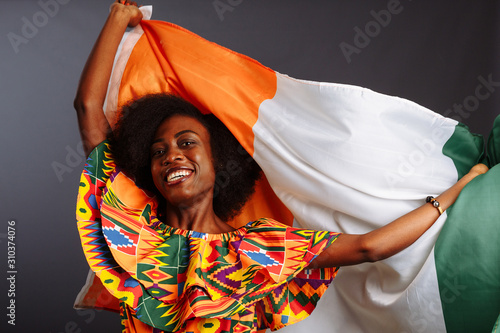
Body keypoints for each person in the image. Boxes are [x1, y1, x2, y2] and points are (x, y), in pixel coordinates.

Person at [74, 1, 489, 332]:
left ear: (218, 162)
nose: (172, 156)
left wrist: (457, 190)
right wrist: (117, 18)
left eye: (187, 143)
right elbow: (88, 107)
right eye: (159, 151)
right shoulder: (135, 229)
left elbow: (370, 246)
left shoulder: (257, 248)